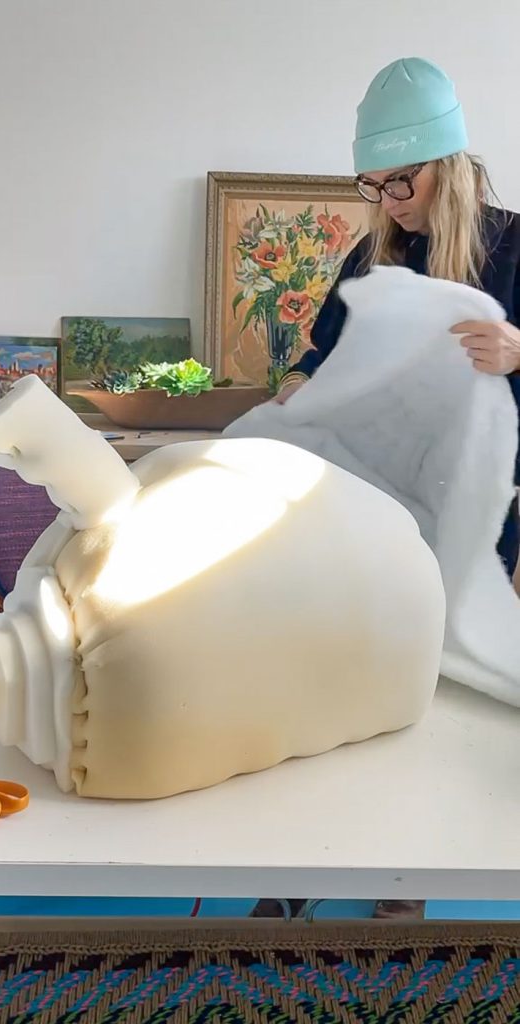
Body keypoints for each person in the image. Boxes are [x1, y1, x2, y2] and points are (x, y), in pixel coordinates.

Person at [252, 56, 520, 923]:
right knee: (341, 674)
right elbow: (325, 351)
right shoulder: (373, 254)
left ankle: (402, 884)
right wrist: (299, 380)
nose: (386, 199)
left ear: (445, 163)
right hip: (381, 501)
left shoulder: (516, 244)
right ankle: (292, 868)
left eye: (397, 181)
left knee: (441, 694)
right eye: (371, 183)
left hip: (484, 506)